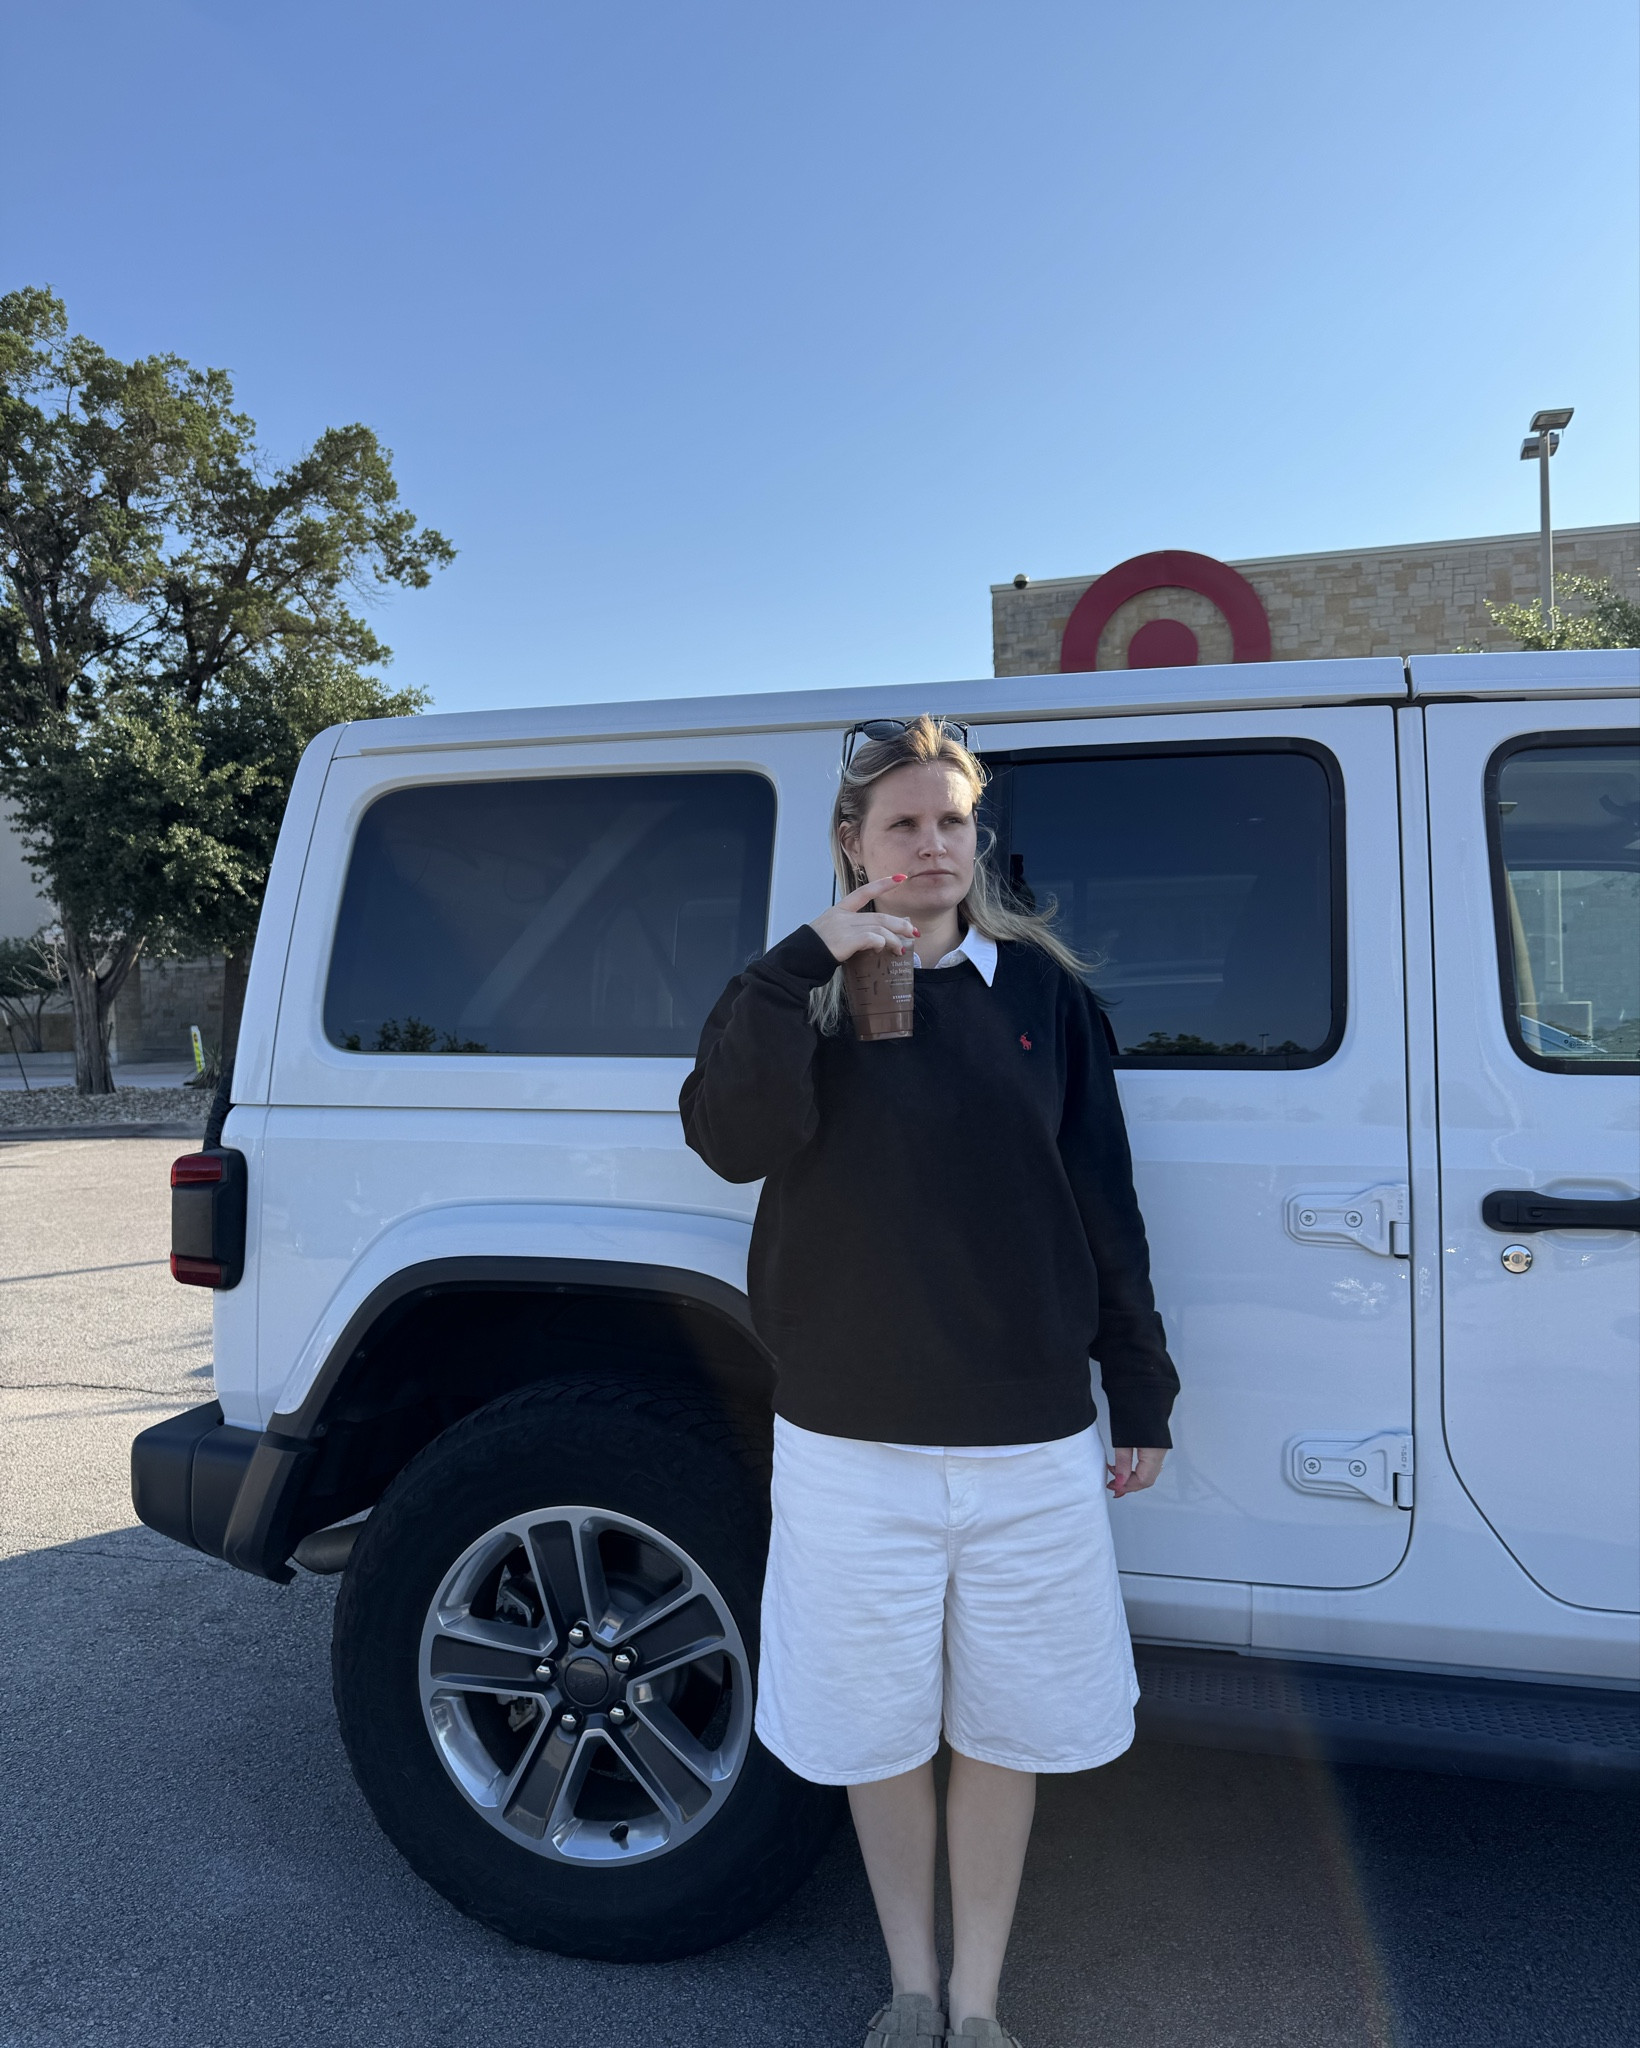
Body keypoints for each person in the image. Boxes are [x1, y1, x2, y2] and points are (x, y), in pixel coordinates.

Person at [679, 715, 1178, 2048]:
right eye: (903, 823)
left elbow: (1103, 1206)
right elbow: (735, 1141)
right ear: (854, 843)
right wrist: (802, 965)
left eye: (952, 820)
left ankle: (978, 2000)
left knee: (1004, 1730)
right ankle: (908, 1985)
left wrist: (1141, 1388)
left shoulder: (1045, 999)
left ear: (978, 837)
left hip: (1026, 1446)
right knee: (881, 1729)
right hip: (852, 1445)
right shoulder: (802, 996)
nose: (933, 843)